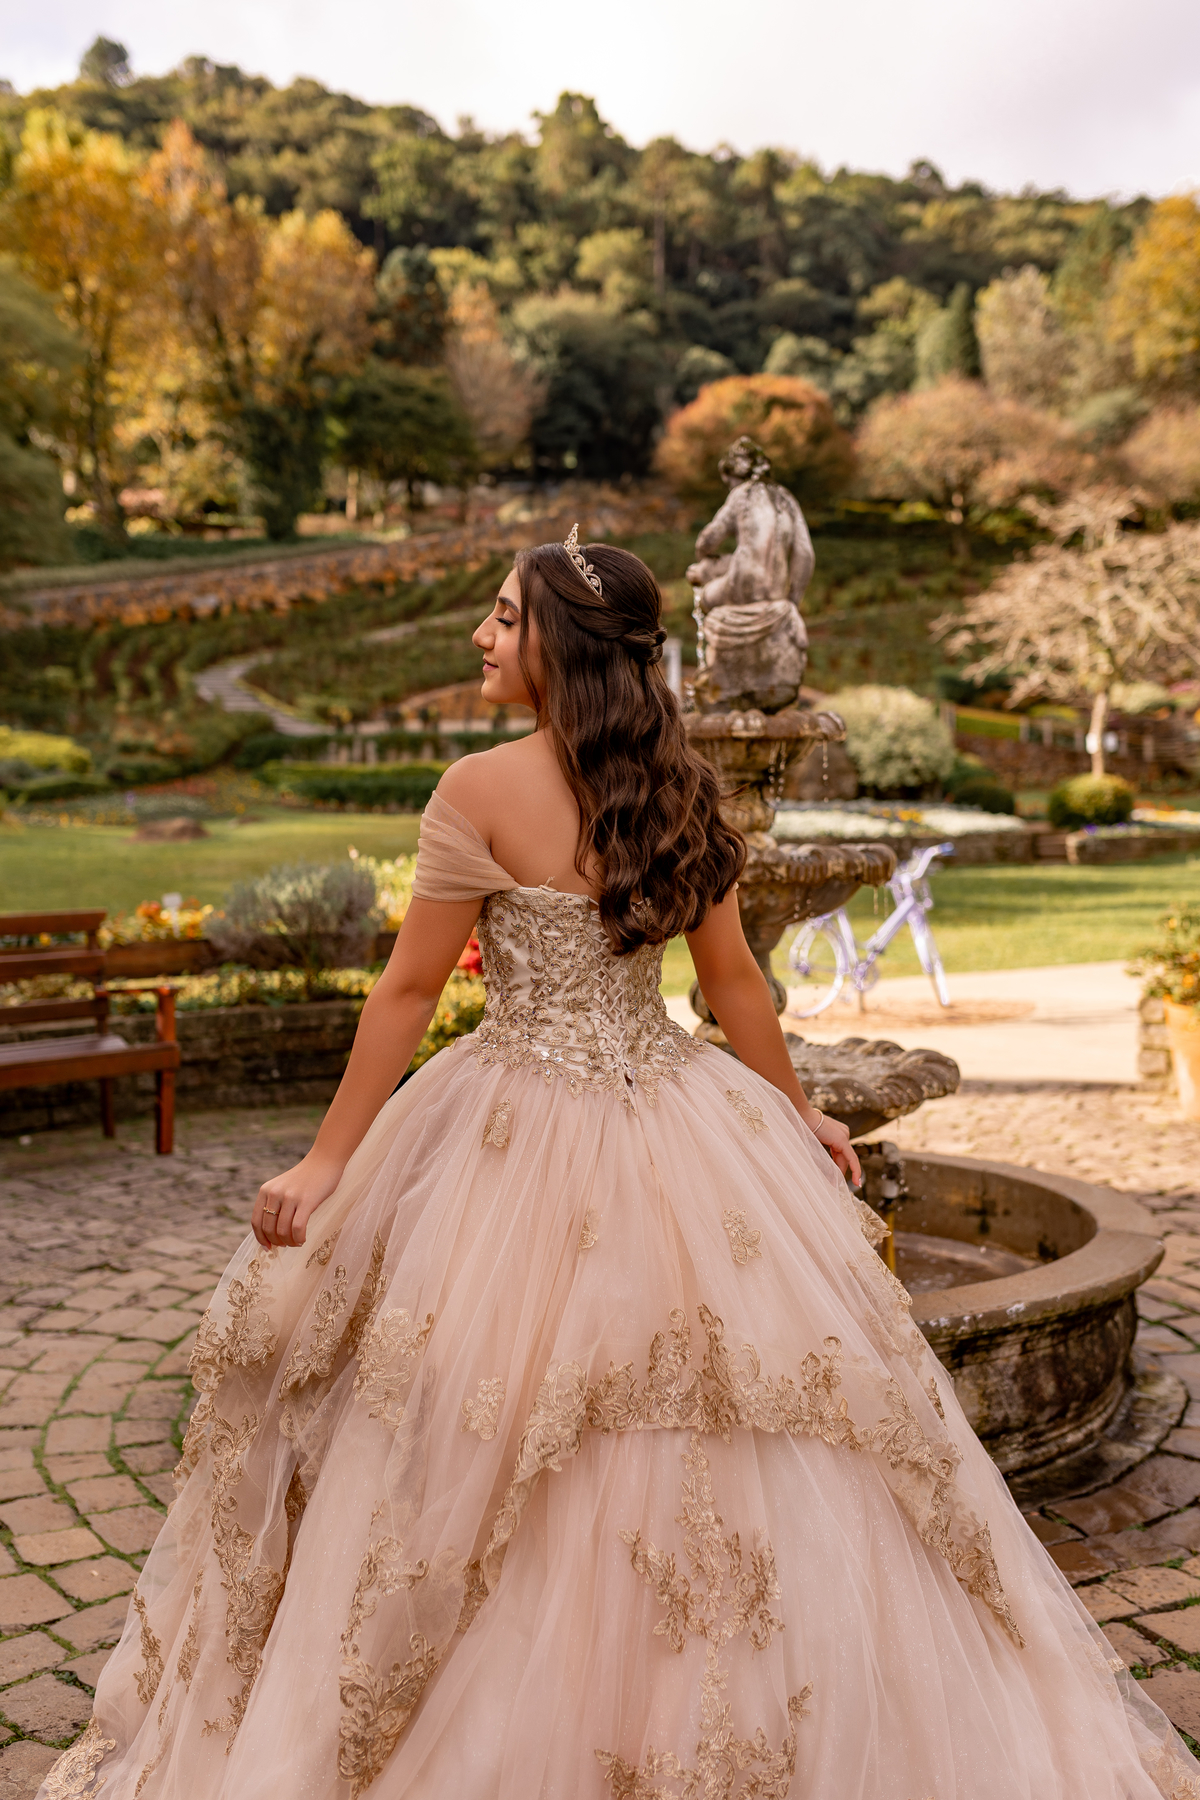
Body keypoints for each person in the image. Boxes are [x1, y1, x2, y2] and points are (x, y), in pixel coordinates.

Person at [45, 533, 1199, 1800]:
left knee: (481, 1420)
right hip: (674, 1115)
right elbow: (736, 988)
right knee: (701, 1420)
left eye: (500, 618)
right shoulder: (680, 784)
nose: (479, 638)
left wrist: (332, 1161)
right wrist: (793, 1112)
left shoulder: (477, 788)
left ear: (559, 645)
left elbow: (407, 991)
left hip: (511, 1118)